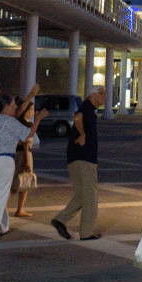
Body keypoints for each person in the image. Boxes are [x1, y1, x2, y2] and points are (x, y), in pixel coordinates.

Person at [0, 94, 44, 239]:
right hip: (3, 161)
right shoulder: (11, 121)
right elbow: (28, 135)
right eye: (13, 105)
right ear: (6, 107)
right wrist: (37, 120)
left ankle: (2, 227)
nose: (15, 108)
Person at [51, 85, 105, 240]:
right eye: (103, 93)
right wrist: (82, 134)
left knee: (82, 195)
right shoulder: (87, 107)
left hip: (75, 157)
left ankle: (60, 220)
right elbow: (77, 118)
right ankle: (86, 233)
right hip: (85, 158)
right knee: (91, 196)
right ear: (94, 95)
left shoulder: (87, 108)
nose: (106, 97)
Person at [10, 85, 41, 218]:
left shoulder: (16, 121)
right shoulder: (27, 125)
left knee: (14, 181)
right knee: (23, 182)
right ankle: (19, 209)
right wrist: (28, 162)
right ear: (26, 111)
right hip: (22, 155)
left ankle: (4, 207)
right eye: (32, 109)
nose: (33, 112)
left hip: (13, 154)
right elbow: (27, 145)